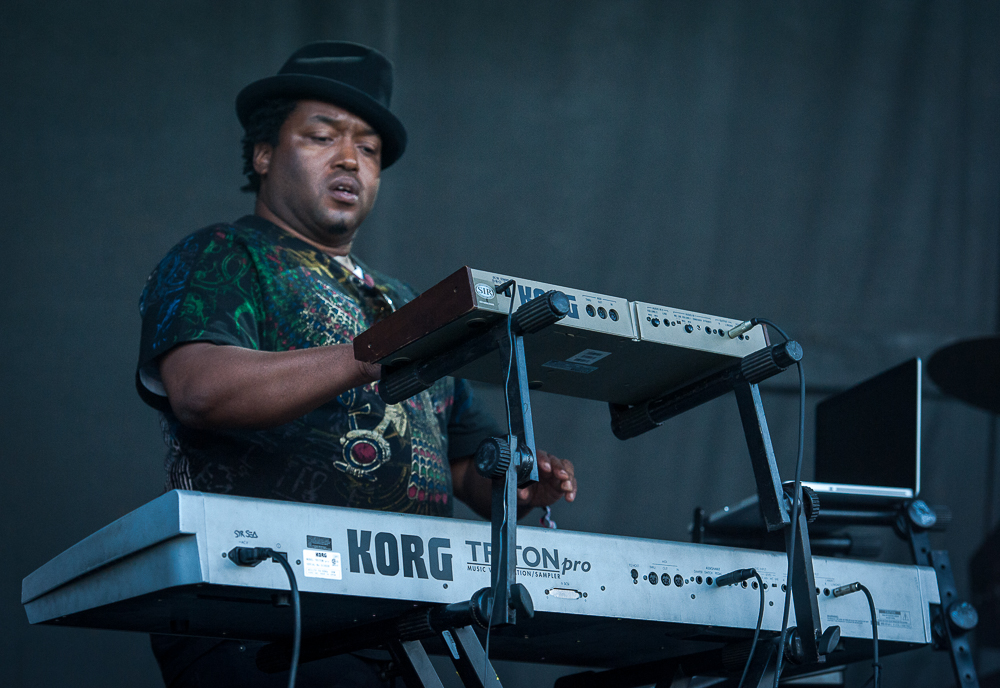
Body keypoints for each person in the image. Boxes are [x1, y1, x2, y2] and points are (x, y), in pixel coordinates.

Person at [136, 41, 577, 687]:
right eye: (322, 136)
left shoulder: (403, 301)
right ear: (262, 154)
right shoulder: (221, 254)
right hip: (261, 617)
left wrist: (514, 482)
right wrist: (367, 354)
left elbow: (461, 461)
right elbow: (201, 389)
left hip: (407, 627)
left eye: (369, 150)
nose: (350, 158)